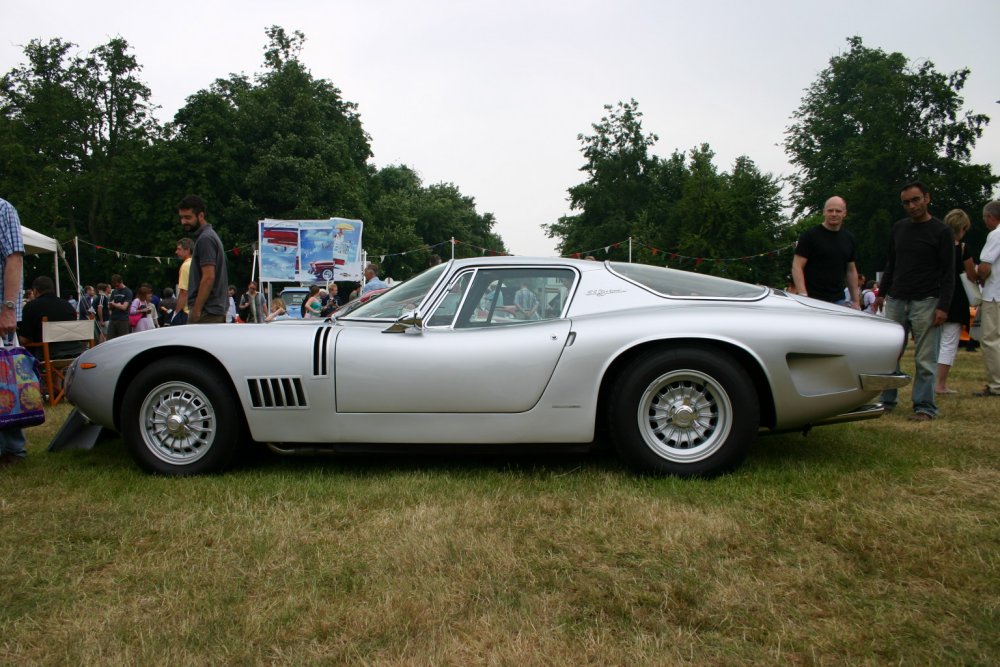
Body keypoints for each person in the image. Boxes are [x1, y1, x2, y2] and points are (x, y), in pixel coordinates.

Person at [875, 181, 955, 421]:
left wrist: (944, 306)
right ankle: (887, 400)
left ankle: (924, 406)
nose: (912, 206)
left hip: (927, 301)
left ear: (927, 198)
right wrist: (881, 293)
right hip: (897, 299)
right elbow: (891, 263)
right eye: (906, 202)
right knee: (889, 354)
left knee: (925, 358)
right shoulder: (899, 228)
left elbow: (949, 273)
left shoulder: (941, 231)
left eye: (916, 200)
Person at [936, 209, 978, 395]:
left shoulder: (935, 246)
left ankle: (929, 381)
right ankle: (940, 384)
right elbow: (971, 275)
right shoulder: (962, 249)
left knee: (933, 342)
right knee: (949, 342)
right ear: (962, 228)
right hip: (955, 298)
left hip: (935, 296)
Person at [792, 196, 860, 308]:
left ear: (844, 213)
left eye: (838, 211)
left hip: (839, 300)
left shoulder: (849, 239)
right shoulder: (810, 236)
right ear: (824, 212)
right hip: (812, 299)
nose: (834, 214)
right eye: (830, 210)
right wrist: (803, 294)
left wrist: (856, 301)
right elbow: (797, 266)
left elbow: (851, 271)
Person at [0, 197, 27, 468]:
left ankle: (12, 449)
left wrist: (8, 308)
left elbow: (14, 257)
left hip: (0, 312)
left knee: (4, 382)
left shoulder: (3, 208)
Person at [178, 195, 228, 324]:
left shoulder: (205, 239)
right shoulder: (208, 236)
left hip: (207, 312)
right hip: (211, 310)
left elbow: (208, 277)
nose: (183, 222)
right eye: (182, 217)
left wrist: (196, 310)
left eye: (188, 217)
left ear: (201, 216)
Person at [18, 275, 90, 358]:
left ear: (35, 291)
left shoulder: (31, 307)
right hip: (76, 352)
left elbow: (24, 340)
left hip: (48, 355)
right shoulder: (68, 305)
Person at [975, 200, 1000, 397]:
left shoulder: (996, 234)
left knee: (991, 339)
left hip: (995, 294)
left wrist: (977, 277)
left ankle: (996, 385)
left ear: (990, 217)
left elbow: (985, 266)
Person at [172, 238, 193, 325]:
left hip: (187, 312)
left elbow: (184, 293)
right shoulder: (197, 263)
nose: (176, 252)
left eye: (179, 249)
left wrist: (175, 314)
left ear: (187, 250)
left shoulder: (185, 266)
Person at [106, 274, 133, 339]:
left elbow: (124, 307)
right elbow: (109, 306)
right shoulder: (114, 291)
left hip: (123, 320)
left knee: (123, 340)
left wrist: (114, 304)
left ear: (121, 281)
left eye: (117, 285)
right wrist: (116, 305)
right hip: (113, 319)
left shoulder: (128, 292)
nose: (116, 287)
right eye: (115, 286)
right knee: (109, 339)